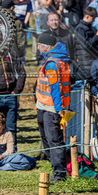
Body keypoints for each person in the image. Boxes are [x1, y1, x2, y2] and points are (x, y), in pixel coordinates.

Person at [35, 33, 70, 182]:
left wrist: (59, 110)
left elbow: (55, 88)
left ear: (47, 47)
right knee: (47, 141)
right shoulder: (52, 59)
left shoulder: (52, 64)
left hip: (51, 109)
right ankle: (56, 167)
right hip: (43, 106)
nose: (37, 47)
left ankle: (59, 174)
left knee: (54, 141)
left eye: (39, 45)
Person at [73, 7, 98, 80]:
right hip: (85, 62)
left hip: (93, 60)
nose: (94, 20)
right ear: (87, 16)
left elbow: (94, 43)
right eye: (93, 18)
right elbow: (85, 46)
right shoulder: (80, 29)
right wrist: (97, 35)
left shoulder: (91, 28)